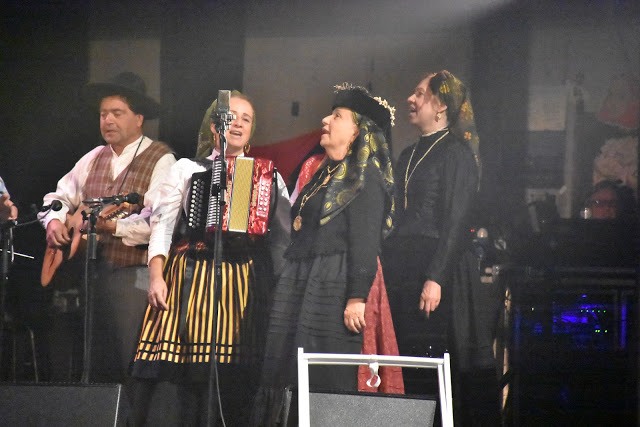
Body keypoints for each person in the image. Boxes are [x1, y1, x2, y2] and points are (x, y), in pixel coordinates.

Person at [129, 91, 291, 426]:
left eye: (247, 118)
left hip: (245, 283)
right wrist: (157, 276)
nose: (239, 123)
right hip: (193, 277)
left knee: (235, 374)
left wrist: (281, 289)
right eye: (232, 115)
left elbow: (282, 240)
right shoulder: (187, 169)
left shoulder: (267, 176)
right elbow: (163, 226)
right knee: (189, 375)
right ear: (214, 124)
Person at [251, 83, 395, 426]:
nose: (325, 120)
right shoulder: (321, 172)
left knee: (322, 371)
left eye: (337, 115)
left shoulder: (364, 177)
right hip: (301, 276)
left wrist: (357, 297)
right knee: (285, 367)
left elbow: (365, 240)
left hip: (334, 279)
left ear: (357, 130)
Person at [39, 72, 176, 387]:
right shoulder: (93, 158)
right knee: (94, 361)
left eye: (117, 113)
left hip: (134, 277)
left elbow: (159, 223)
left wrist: (111, 226)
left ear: (139, 118)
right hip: (92, 275)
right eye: (103, 114)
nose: (108, 121)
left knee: (129, 360)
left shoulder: (161, 158)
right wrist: (55, 221)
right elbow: (55, 198)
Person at [381, 71, 501, 425]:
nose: (410, 99)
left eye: (420, 94)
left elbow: (456, 222)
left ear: (441, 106)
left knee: (430, 361)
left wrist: (435, 277)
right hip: (402, 269)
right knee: (403, 357)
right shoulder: (407, 154)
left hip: (435, 270)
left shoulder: (457, 154)